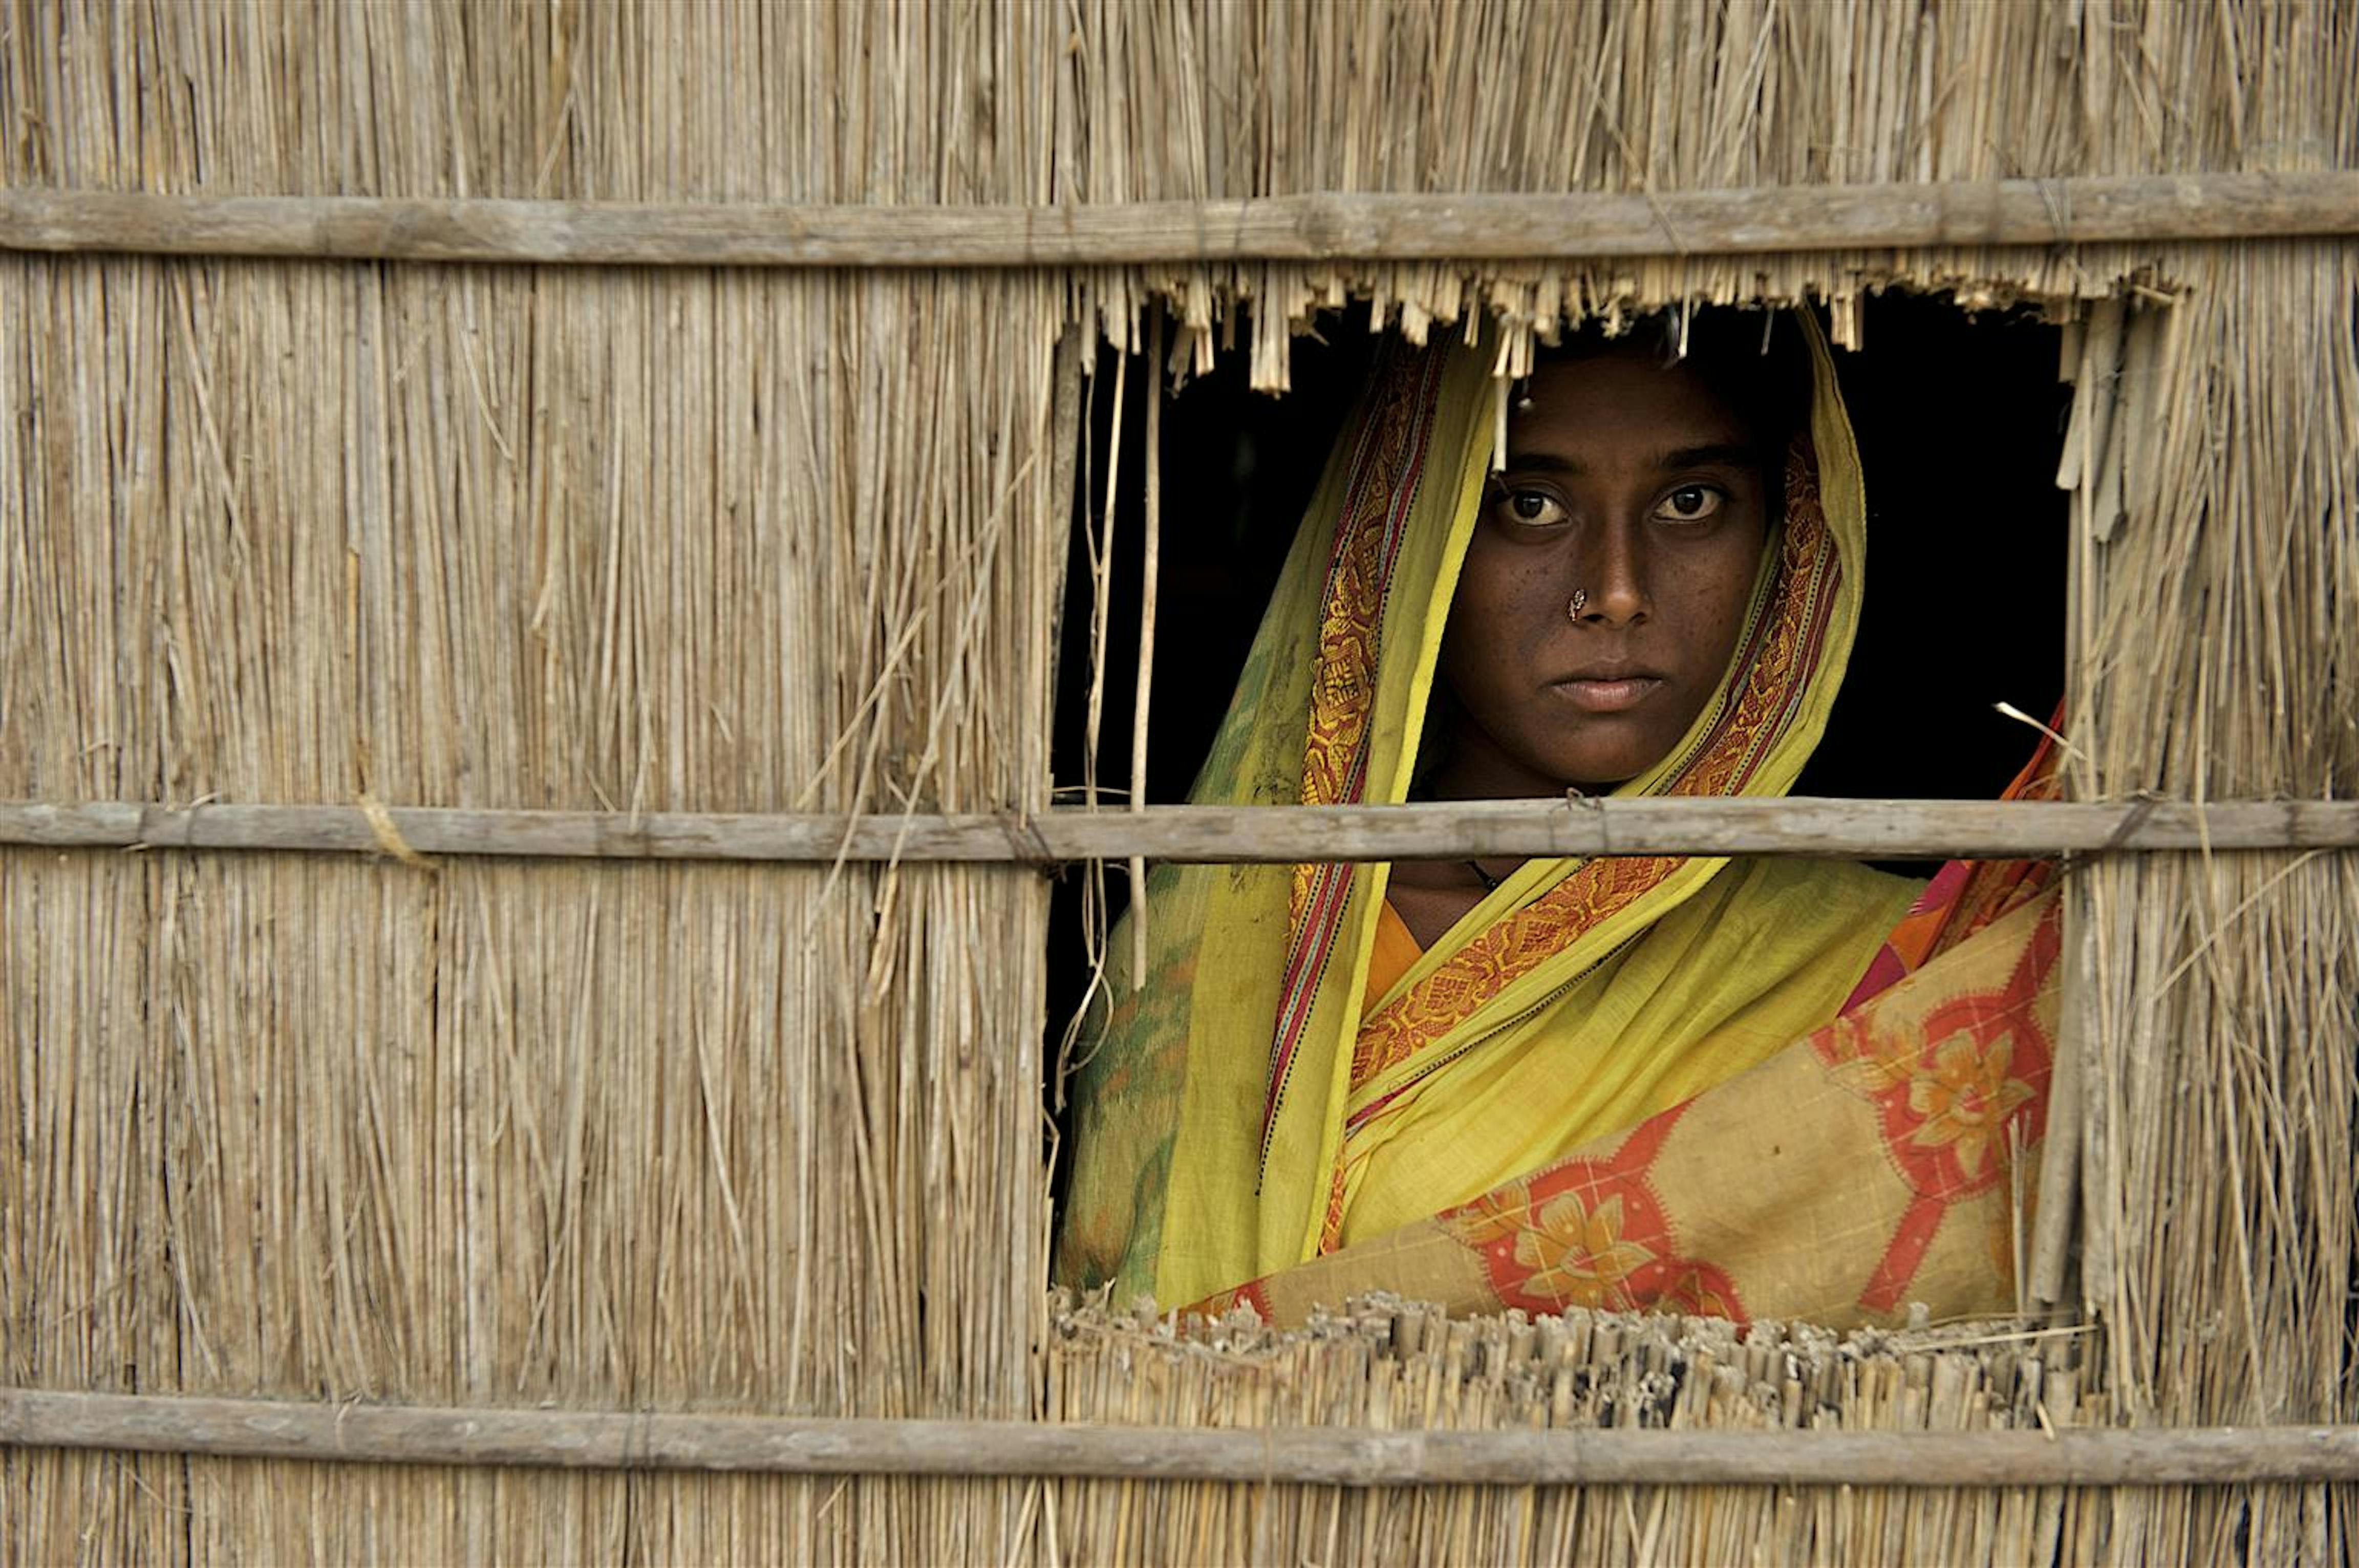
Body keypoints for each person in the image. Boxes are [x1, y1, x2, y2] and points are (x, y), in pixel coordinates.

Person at [1056, 309, 2060, 1330]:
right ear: (1412, 534)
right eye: (1530, 504)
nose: (1617, 591)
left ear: (1789, 539)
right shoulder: (1213, 950)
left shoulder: (1902, 977)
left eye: (1691, 501)